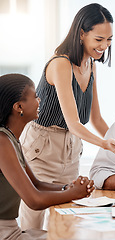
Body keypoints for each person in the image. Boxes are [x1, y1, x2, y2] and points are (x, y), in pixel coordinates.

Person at [19, 3, 115, 231]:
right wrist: (105, 145)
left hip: (71, 152)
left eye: (109, 39)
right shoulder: (60, 64)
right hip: (42, 150)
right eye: (99, 39)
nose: (104, 46)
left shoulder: (91, 64)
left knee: (65, 224)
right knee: (33, 225)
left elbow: (97, 118)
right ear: (82, 33)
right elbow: (73, 122)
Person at [0, 73, 95, 239]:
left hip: (10, 230)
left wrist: (69, 187)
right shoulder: (2, 142)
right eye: (35, 96)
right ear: (19, 107)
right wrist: (74, 193)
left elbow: (36, 184)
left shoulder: (11, 139)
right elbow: (34, 200)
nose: (40, 100)